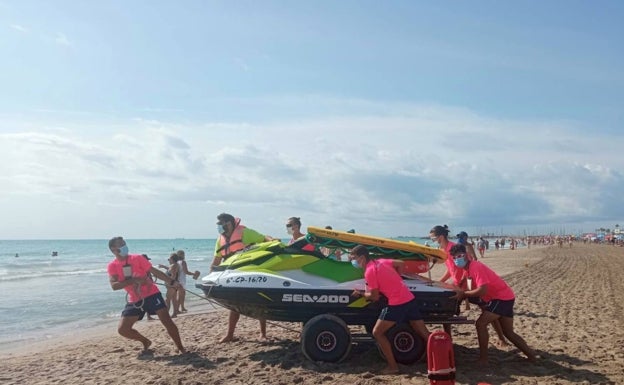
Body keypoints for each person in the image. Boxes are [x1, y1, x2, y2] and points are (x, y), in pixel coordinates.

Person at [449, 244, 536, 364]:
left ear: (467, 255)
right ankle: (531, 356)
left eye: (459, 256)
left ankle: (483, 359)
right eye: (454, 258)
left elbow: (482, 290)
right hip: (505, 296)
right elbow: (463, 284)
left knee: (480, 324)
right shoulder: (467, 269)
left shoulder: (475, 266)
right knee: (508, 332)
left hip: (501, 298)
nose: (457, 259)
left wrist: (464, 295)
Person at [349, 245, 430, 374]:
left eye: (353, 259)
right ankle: (442, 357)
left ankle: (393, 367)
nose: (352, 262)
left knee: (377, 333)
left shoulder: (370, 271)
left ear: (362, 258)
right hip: (409, 298)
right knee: (425, 334)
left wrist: (361, 294)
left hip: (397, 303)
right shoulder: (380, 261)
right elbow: (401, 263)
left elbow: (374, 297)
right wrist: (396, 278)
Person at [107, 236, 185, 353]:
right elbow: (114, 286)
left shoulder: (137, 258)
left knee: (167, 321)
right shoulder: (112, 266)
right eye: (121, 244)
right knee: (123, 329)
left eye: (124, 243)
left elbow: (155, 272)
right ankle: (145, 341)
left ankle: (180, 347)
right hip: (135, 299)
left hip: (152, 294)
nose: (124, 246)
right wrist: (133, 280)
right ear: (114, 249)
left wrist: (172, 282)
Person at [211, 213, 273, 343]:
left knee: (259, 302)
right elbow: (216, 260)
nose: (220, 227)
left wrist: (273, 241)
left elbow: (263, 238)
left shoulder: (244, 232)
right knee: (234, 305)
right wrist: (210, 277)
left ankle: (263, 334)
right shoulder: (220, 240)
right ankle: (230, 334)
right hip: (232, 275)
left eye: (222, 224)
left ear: (230, 223)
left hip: (250, 272)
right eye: (218, 224)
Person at [175, 249, 200, 314]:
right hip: (182, 280)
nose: (184, 255)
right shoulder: (183, 262)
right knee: (181, 295)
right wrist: (193, 274)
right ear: (182, 255)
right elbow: (186, 272)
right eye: (183, 254)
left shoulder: (176, 262)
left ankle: (182, 307)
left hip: (178, 280)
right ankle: (177, 309)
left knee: (182, 294)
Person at [158, 253, 181, 318]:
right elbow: (170, 270)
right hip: (174, 285)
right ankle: (174, 313)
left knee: (167, 299)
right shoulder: (175, 265)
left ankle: (166, 315)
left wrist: (170, 284)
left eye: (169, 259)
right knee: (173, 300)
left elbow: (173, 275)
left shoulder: (173, 266)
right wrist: (163, 266)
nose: (168, 260)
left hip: (172, 286)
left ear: (172, 259)